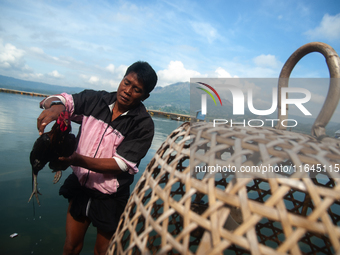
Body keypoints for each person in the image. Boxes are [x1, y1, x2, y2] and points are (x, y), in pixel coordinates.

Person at [37, 61, 157, 255]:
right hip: (80, 185)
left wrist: (76, 159)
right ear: (122, 79)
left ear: (145, 96)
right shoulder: (96, 100)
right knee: (71, 246)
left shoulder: (143, 125)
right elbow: (65, 99)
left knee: (103, 252)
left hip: (111, 196)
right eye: (126, 83)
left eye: (137, 89)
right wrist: (57, 106)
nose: (127, 91)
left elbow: (121, 164)